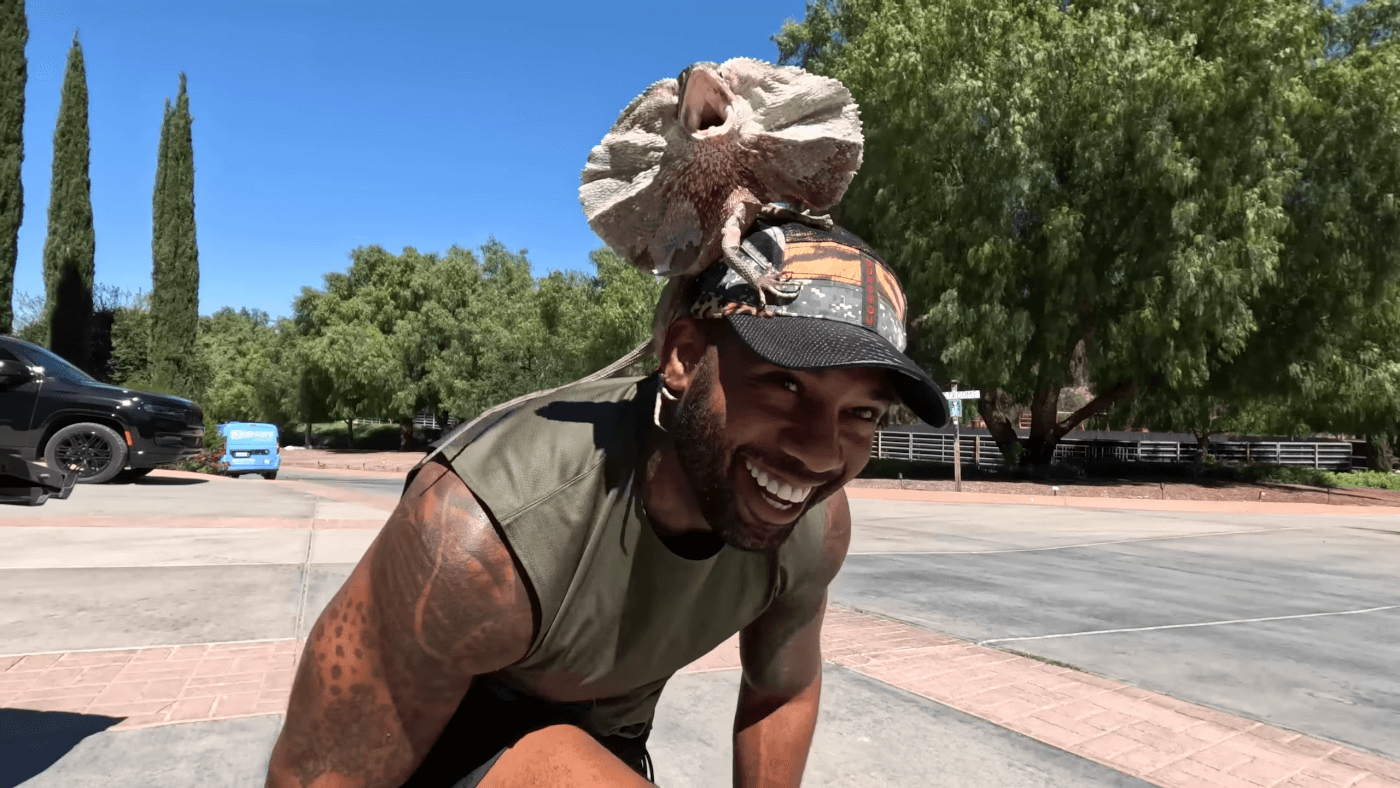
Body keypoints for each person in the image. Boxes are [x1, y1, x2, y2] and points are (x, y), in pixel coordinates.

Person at [264, 221, 948, 788]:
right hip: (439, 755)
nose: (821, 453)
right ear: (682, 358)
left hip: (607, 745)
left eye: (861, 413)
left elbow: (783, 689)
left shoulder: (812, 525)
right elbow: (314, 775)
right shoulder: (475, 536)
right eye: (785, 388)